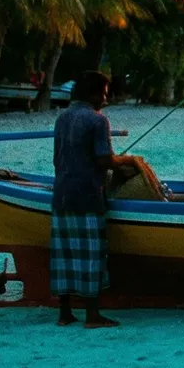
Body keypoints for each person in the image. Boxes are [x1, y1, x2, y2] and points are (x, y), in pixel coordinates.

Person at [49, 70, 138, 327]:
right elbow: (105, 159)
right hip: (88, 194)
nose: (105, 100)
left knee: (63, 254)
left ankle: (65, 313)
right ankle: (92, 315)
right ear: (94, 94)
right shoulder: (98, 121)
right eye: (104, 94)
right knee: (91, 255)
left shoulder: (62, 118)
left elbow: (58, 158)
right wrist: (128, 160)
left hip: (62, 193)